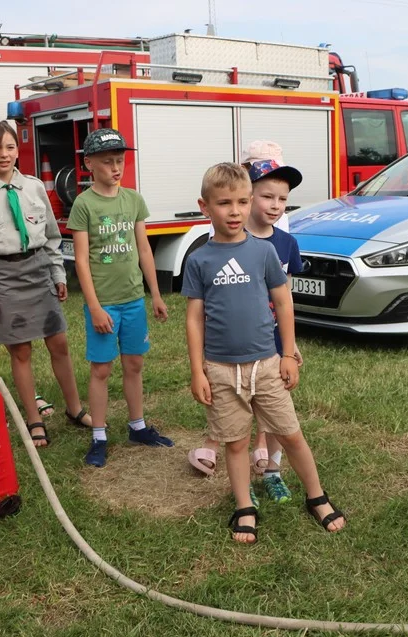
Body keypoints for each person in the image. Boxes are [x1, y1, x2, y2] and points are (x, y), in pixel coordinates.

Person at [182, 162, 346, 544]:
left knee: (290, 435)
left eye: (242, 201)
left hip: (267, 365)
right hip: (221, 370)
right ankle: (244, 506)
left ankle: (316, 496)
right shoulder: (198, 260)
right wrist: (197, 370)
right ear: (205, 207)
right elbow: (194, 319)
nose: (235, 211)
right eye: (225, 203)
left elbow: (284, 303)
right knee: (236, 443)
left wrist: (288, 354)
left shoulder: (265, 252)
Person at [0, 120, 93, 448]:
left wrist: (58, 275)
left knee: (59, 343)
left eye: (10, 147)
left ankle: (74, 408)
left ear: (17, 151)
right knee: (20, 351)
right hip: (3, 278)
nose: (4, 155)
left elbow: (50, 236)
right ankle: (34, 419)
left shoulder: (34, 187)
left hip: (39, 271)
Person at [188, 155, 304, 508]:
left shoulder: (282, 244)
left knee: (276, 413)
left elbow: (286, 299)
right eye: (267, 196)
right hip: (233, 345)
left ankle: (272, 469)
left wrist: (290, 346)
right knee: (237, 409)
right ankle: (244, 474)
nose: (274, 205)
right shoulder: (227, 243)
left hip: (273, 340)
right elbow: (200, 311)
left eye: (282, 199)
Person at [67, 128, 173, 467]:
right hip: (104, 303)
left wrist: (154, 294)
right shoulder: (84, 204)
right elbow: (81, 260)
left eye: (120, 161)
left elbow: (143, 248)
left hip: (132, 299)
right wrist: (95, 307)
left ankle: (137, 425)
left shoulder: (133, 200)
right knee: (101, 369)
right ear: (89, 164)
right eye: (108, 162)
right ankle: (98, 434)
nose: (116, 168)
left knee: (135, 363)